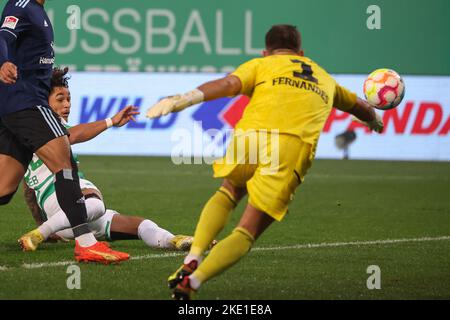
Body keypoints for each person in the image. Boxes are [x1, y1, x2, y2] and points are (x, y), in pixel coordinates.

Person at [146, 24, 384, 299]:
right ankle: (194, 281)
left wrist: (184, 98)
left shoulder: (261, 65)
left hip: (251, 137)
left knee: (229, 191)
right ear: (302, 52)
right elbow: (362, 107)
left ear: (266, 51)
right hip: (290, 148)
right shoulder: (325, 78)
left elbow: (227, 84)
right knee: (247, 230)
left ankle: (193, 257)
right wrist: (375, 121)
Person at [0, 0, 129, 263]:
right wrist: (3, 63)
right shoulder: (21, 4)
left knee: (3, 189)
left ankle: (85, 244)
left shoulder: (37, 11)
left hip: (15, 106)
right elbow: (2, 35)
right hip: (26, 103)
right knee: (65, 163)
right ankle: (86, 243)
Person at [19, 67, 196, 253]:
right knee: (95, 202)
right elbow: (73, 134)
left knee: (138, 224)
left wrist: (44, 221)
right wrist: (111, 121)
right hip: (63, 199)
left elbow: (28, 191)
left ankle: (174, 240)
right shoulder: (42, 129)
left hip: (63, 217)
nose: (67, 104)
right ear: (44, 102)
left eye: (69, 98)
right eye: (60, 99)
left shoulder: (29, 134)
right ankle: (41, 232)